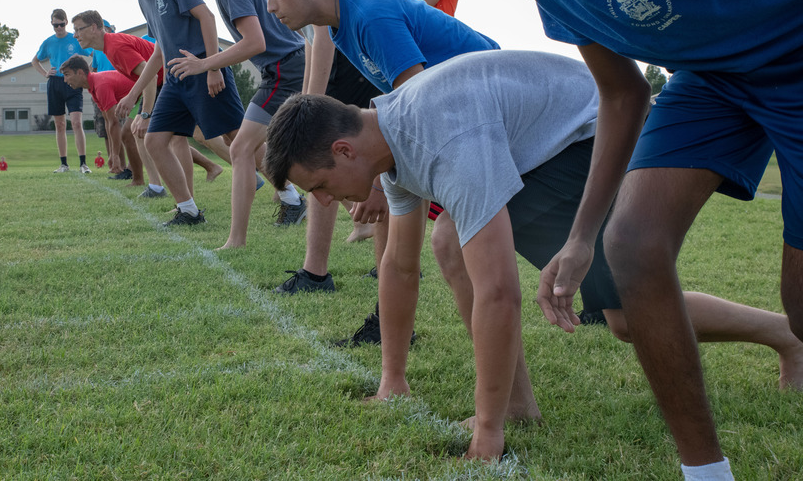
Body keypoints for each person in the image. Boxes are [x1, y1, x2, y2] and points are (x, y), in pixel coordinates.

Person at [377, 0, 803, 477]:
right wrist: (580, 240)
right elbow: (623, 92)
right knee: (628, 245)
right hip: (714, 78)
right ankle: (707, 473)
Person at [264, 50, 803, 462]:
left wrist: (486, 432)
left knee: (623, 317)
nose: (326, 202)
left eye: (321, 187)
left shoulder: (438, 138)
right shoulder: (389, 143)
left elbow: (499, 291)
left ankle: (786, 333)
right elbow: (399, 268)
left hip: (598, 139)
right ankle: (517, 404)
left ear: (342, 150)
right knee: (455, 243)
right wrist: (392, 379)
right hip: (548, 150)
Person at [254, 0, 499, 337]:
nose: (271, 6)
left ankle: (503, 381)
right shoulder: (340, 26)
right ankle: (391, 338)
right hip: (456, 120)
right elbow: (392, 104)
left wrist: (381, 183)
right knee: (422, 247)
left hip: (486, 113)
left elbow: (415, 105)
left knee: (448, 245)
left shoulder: (368, 16)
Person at [212, 0, 379, 290]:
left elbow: (323, 32)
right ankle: (337, 265)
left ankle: (323, 271)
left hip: (353, 61)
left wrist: (311, 101)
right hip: (341, 60)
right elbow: (309, 39)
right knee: (334, 164)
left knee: (327, 158)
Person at [154, 0, 308, 250]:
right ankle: (302, 203)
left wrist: (206, 65)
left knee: (240, 149)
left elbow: (255, 43)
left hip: (284, 69)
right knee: (244, 147)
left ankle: (239, 239)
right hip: (282, 68)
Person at [98, 0, 245, 226]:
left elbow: (207, 16)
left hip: (202, 68)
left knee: (237, 138)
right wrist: (133, 94)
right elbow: (159, 50)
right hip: (176, 78)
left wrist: (213, 66)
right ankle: (188, 211)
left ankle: (290, 195)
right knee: (154, 140)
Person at [71, 9, 167, 196]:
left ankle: (226, 164)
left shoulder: (115, 47)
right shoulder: (108, 49)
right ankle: (156, 187)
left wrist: (144, 112)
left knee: (189, 137)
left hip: (168, 82)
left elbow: (152, 75)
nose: (75, 35)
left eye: (78, 30)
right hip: (158, 83)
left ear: (93, 28)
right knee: (138, 132)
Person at [31, 9, 90, 174]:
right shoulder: (48, 42)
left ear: (66, 22)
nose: (59, 28)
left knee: (77, 122)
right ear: (52, 24)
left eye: (62, 24)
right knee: (60, 124)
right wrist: (45, 73)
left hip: (73, 83)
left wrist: (89, 73)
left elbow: (93, 52)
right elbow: (35, 61)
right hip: (55, 83)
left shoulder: (75, 39)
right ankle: (64, 164)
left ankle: (83, 164)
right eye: (55, 25)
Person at [60, 56, 137, 172]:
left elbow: (114, 122)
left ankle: (135, 175)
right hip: (140, 97)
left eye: (67, 74)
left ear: (80, 73)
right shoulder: (93, 86)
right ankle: (130, 172)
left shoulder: (100, 85)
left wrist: (115, 155)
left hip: (149, 93)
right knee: (128, 132)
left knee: (129, 133)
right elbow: (107, 121)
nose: (65, 80)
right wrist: (111, 153)